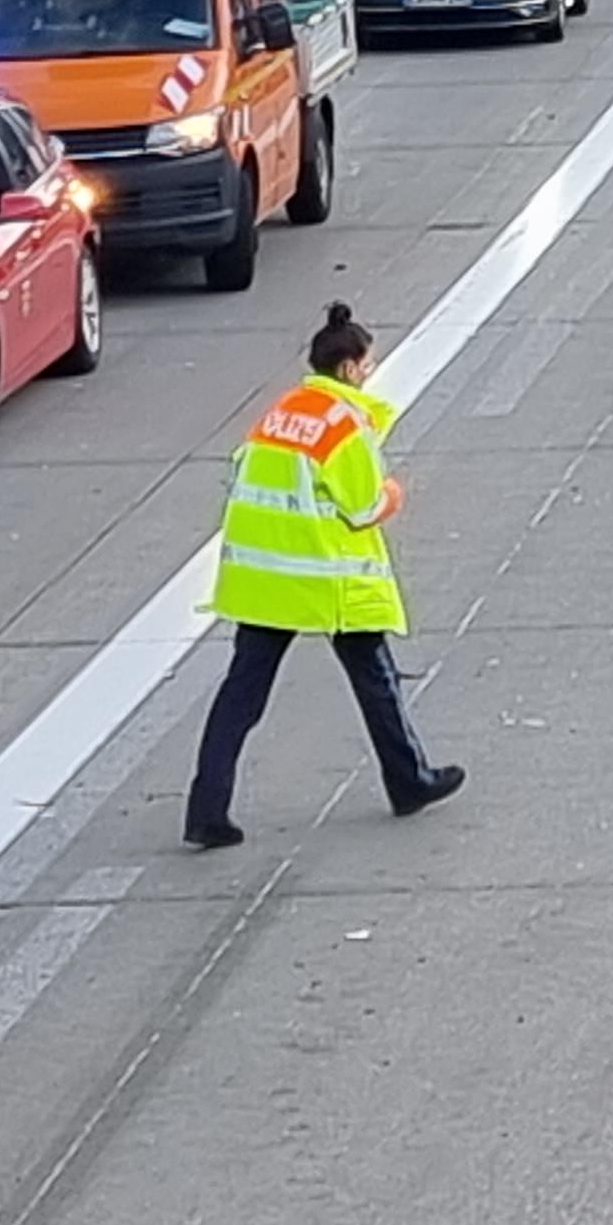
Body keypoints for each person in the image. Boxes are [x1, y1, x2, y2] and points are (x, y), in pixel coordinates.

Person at [184, 305, 465, 847]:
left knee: (241, 696)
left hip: (264, 579)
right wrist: (393, 495)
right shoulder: (343, 426)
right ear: (350, 370)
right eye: (368, 364)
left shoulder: (279, 412)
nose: (370, 373)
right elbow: (361, 508)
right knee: (376, 680)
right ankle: (408, 780)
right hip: (326, 578)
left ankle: (206, 809)